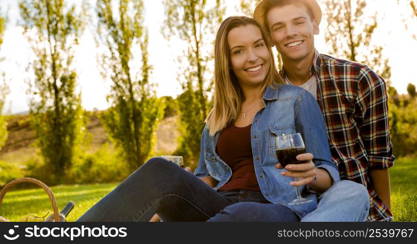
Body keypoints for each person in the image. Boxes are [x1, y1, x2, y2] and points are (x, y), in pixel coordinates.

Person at [78, 16, 350, 222]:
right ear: (227, 60)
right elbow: (206, 177)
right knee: (160, 169)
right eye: (239, 50)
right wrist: (179, 183)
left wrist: (313, 174)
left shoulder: (296, 101)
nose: (253, 57)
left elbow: (329, 172)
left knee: (242, 214)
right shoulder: (217, 117)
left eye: (259, 46)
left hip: (276, 209)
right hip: (218, 207)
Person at [253, 0, 395, 221]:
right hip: (294, 207)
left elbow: (379, 159)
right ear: (269, 38)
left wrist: (386, 217)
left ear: (315, 26)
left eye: (298, 22)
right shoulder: (265, 95)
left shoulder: (358, 79)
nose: (290, 33)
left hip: (353, 203)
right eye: (278, 27)